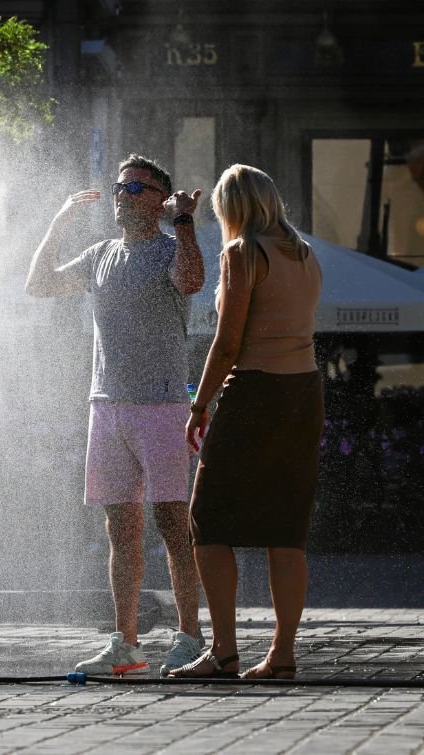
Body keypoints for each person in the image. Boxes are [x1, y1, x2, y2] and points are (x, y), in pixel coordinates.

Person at [25, 153, 206, 676]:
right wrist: (59, 221)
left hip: (162, 405)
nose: (121, 197)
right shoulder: (100, 253)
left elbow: (193, 282)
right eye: (118, 187)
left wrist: (185, 220)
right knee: (119, 530)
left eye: (134, 189)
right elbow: (38, 284)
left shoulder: (172, 247)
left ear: (158, 199)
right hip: (106, 405)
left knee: (173, 523)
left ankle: (190, 637)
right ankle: (124, 644)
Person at [170, 165, 323, 681]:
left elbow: (229, 341)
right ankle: (282, 654)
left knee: (207, 519)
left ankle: (225, 652)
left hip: (254, 389)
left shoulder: (242, 253)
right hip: (304, 393)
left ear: (231, 207)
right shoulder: (304, 254)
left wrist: (199, 405)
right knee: (287, 527)